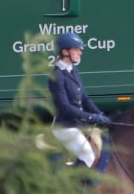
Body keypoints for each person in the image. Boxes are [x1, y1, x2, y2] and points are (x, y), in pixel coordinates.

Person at [48, 32, 112, 169]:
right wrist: (91, 117)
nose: (80, 52)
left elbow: (84, 98)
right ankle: (80, 182)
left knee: (105, 142)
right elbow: (64, 107)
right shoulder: (56, 75)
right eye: (76, 49)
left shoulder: (73, 71)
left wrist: (100, 114)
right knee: (89, 156)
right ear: (65, 51)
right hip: (65, 127)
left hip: (78, 124)